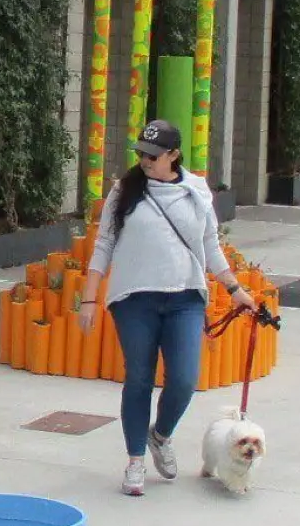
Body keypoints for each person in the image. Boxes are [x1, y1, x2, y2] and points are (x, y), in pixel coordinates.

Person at [79, 120, 256, 497]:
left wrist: (235, 287)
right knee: (139, 378)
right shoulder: (124, 190)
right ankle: (135, 461)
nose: (144, 160)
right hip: (134, 299)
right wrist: (90, 298)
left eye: (153, 155)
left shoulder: (196, 191)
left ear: (174, 156)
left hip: (185, 298)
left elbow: (210, 244)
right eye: (140, 153)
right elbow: (103, 244)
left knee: (184, 379)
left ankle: (160, 435)